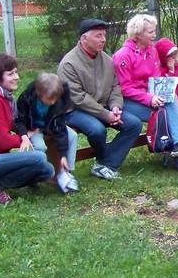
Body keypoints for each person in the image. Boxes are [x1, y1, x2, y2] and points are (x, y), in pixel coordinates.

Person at [112, 14, 178, 176]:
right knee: (165, 114)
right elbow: (124, 89)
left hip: (149, 95)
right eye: (150, 32)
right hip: (129, 100)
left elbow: (155, 78)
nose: (154, 35)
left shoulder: (151, 51)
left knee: (171, 98)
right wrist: (149, 98)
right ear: (138, 34)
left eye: (154, 31)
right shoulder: (122, 56)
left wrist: (163, 91)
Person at [58, 18, 143, 180]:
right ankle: (105, 163)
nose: (103, 39)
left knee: (133, 124)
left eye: (103, 35)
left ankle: (106, 164)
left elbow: (115, 86)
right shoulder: (69, 64)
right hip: (74, 110)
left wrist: (116, 106)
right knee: (97, 130)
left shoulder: (106, 59)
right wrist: (106, 114)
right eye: (98, 36)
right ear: (84, 38)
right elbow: (78, 98)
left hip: (103, 107)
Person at [0, 54, 55, 204]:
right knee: (39, 157)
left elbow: (13, 124)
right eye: (10, 74)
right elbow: (2, 141)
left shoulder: (4, 97)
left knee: (47, 170)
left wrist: (24, 134)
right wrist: (25, 138)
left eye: (16, 72)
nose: (17, 77)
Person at [14, 72, 79, 190]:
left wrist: (63, 155)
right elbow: (19, 120)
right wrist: (24, 135)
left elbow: (60, 128)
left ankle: (65, 173)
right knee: (39, 147)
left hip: (50, 127)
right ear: (40, 94)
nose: (53, 102)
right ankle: (33, 178)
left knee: (72, 136)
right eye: (50, 99)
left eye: (55, 98)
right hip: (33, 129)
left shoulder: (57, 102)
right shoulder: (27, 98)